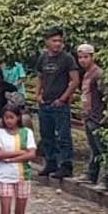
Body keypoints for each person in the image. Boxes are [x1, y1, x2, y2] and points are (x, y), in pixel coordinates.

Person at [35, 28, 79, 179]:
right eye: (54, 41)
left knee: (63, 135)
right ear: (47, 42)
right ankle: (50, 162)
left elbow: (74, 80)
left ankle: (66, 165)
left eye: (60, 41)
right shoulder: (43, 58)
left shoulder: (67, 59)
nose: (58, 44)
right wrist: (38, 94)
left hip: (60, 104)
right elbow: (40, 76)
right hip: (45, 102)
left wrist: (63, 98)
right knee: (46, 135)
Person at [76, 44, 108, 191]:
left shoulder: (98, 74)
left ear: (92, 57)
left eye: (86, 57)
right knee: (94, 148)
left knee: (103, 149)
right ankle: (91, 174)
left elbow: (106, 95)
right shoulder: (86, 74)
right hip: (88, 116)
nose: (83, 60)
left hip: (97, 117)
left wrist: (106, 114)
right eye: (80, 57)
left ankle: (107, 180)